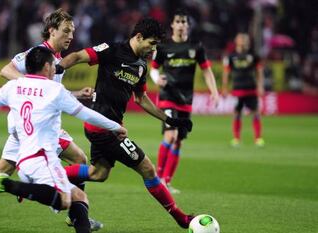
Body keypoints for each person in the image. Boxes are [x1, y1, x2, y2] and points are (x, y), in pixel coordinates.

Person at [0, 9, 103, 230]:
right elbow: (6, 70)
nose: (70, 36)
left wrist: (78, 94)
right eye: (66, 31)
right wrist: (28, 85)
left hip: (27, 125)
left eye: (72, 31)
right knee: (79, 159)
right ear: (52, 31)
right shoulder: (37, 53)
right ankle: (76, 213)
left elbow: (51, 91)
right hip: (34, 126)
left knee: (1, 170)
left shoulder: (56, 59)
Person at [57, 18, 194, 229]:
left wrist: (170, 119)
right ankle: (181, 218)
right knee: (148, 169)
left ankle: (47, 175)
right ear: (138, 37)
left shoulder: (140, 66)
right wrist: (56, 69)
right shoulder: (111, 50)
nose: (153, 49)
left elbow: (141, 99)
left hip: (111, 128)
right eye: (151, 43)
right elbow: (77, 56)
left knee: (98, 174)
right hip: (103, 127)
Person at [149, 9, 219, 194]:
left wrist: (214, 91)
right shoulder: (163, 47)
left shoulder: (196, 47)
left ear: (187, 25)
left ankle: (167, 181)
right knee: (170, 136)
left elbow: (206, 71)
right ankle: (158, 178)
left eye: (183, 21)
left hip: (186, 99)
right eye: (177, 21)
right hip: (167, 97)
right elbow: (154, 69)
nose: (180, 24)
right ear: (172, 24)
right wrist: (157, 79)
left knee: (178, 141)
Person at [222, 32, 265, 147]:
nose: (244, 41)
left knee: (256, 113)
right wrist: (225, 88)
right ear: (236, 41)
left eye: (245, 39)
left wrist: (260, 86)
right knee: (237, 113)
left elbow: (259, 72)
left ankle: (258, 138)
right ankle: (236, 138)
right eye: (241, 39)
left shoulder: (254, 55)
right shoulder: (231, 56)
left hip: (251, 88)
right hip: (237, 89)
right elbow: (226, 73)